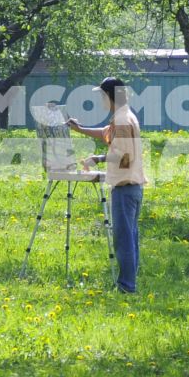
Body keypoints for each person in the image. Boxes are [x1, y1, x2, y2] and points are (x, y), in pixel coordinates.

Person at [69, 77, 146, 293]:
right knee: (130, 237)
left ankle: (126, 287)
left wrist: (97, 159)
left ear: (109, 96)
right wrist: (81, 129)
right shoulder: (124, 116)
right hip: (133, 186)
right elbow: (107, 133)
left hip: (124, 187)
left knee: (123, 240)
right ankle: (129, 282)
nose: (100, 99)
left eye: (101, 95)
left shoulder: (122, 119)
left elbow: (122, 155)